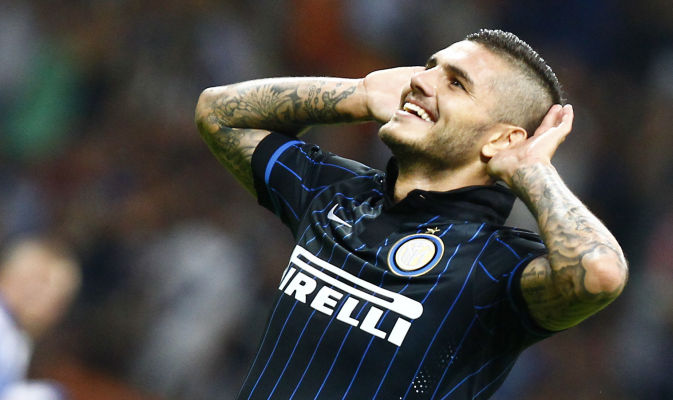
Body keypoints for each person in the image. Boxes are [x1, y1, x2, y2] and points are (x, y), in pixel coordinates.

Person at [195, 29, 628, 399]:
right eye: (429, 67)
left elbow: (599, 274)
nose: (420, 81)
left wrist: (532, 171)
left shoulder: (494, 266)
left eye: (456, 83)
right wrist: (360, 94)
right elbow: (218, 114)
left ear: (501, 140)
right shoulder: (336, 194)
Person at [0, 237, 81, 400]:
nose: (46, 298)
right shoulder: (5, 330)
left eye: (61, 299)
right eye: (39, 282)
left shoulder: (15, 335)